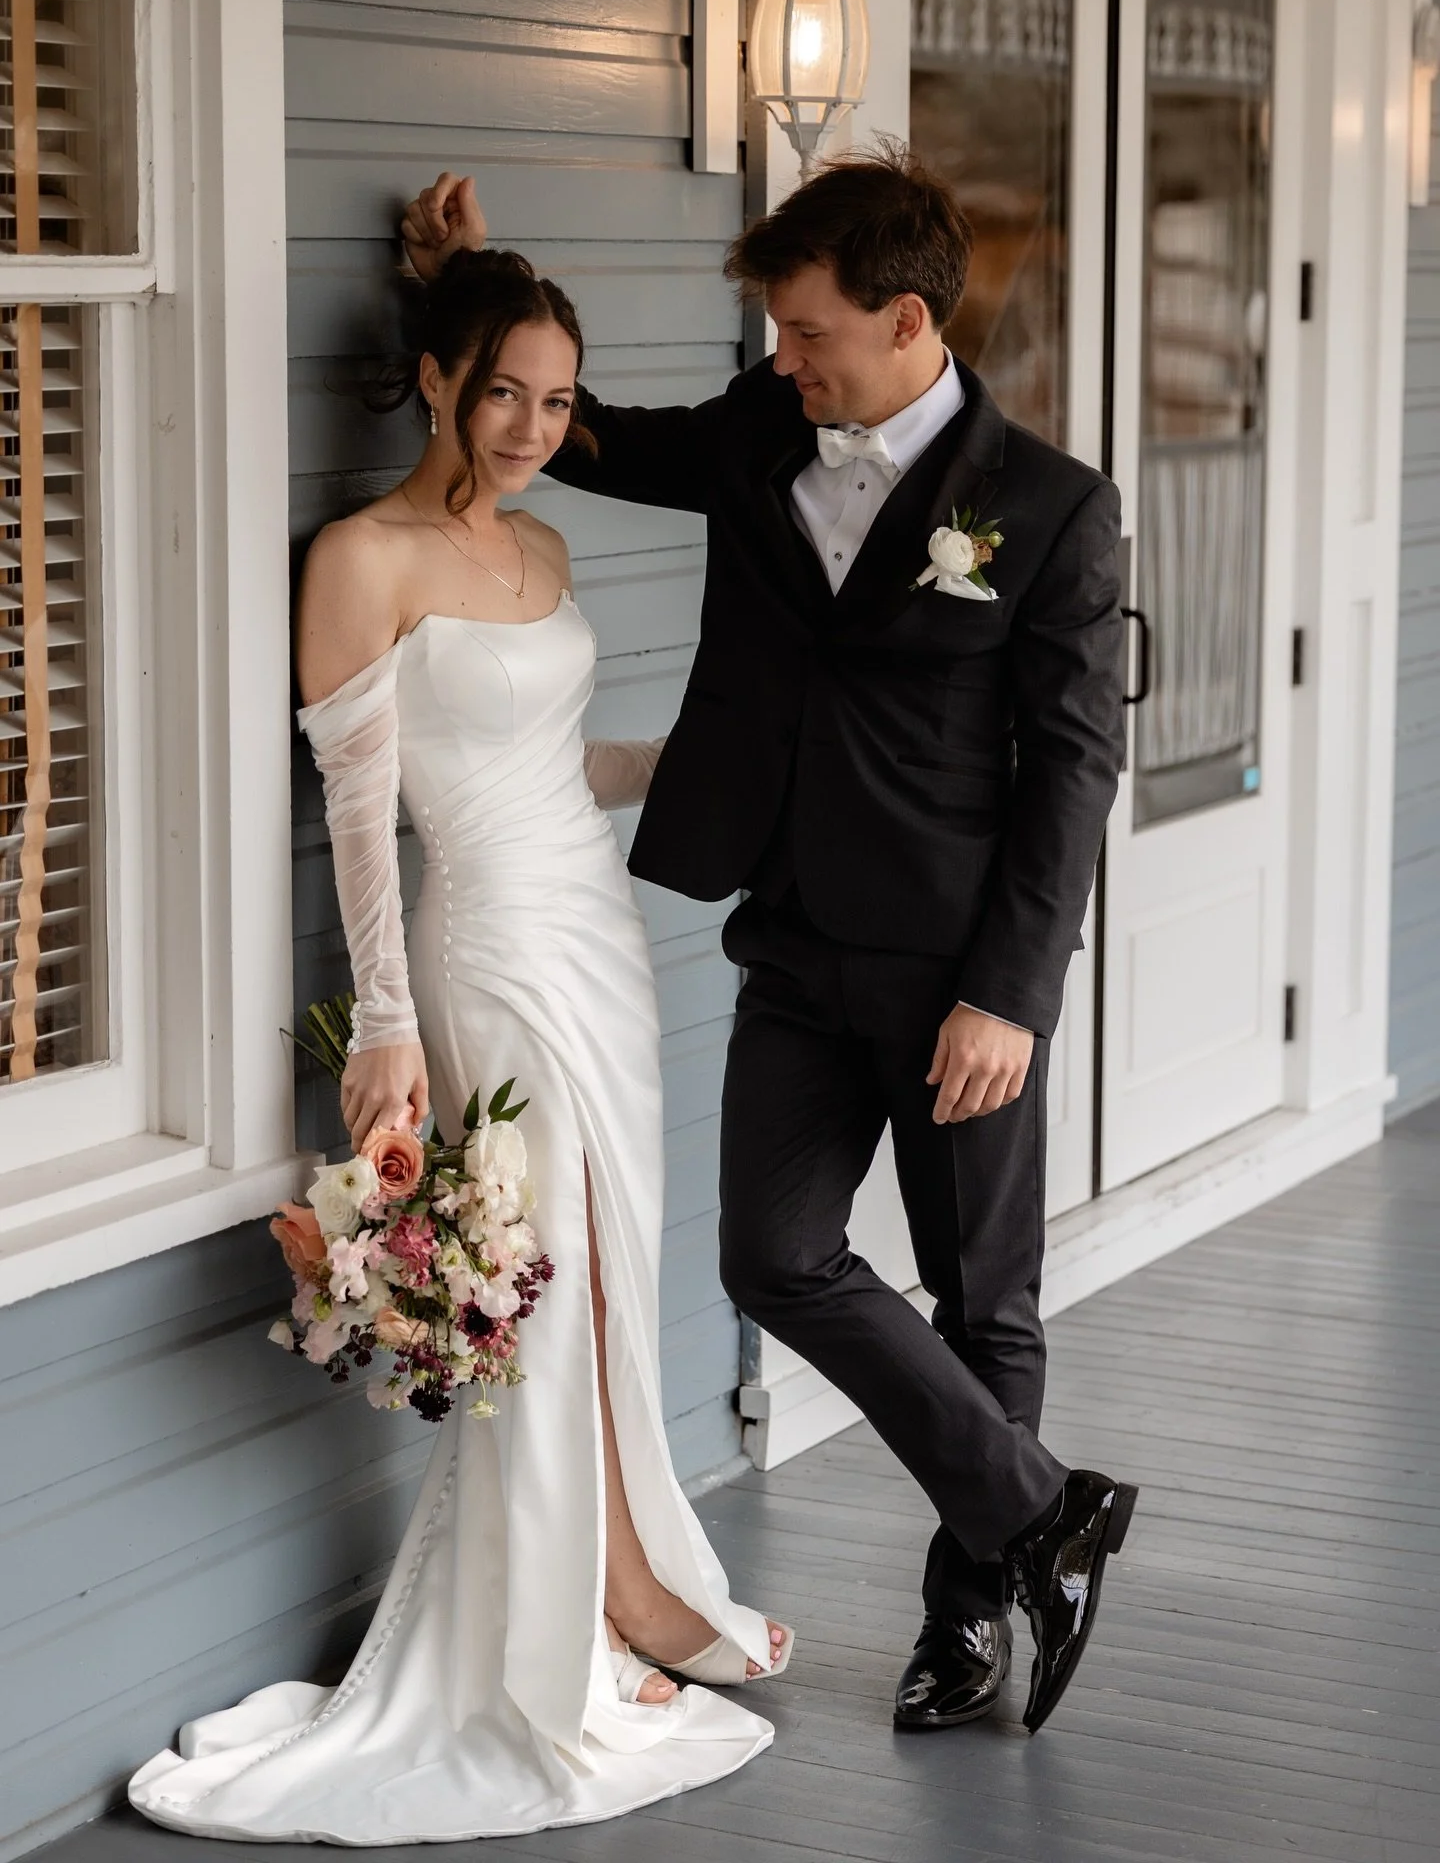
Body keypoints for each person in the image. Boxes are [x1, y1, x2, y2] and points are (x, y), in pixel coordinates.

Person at [399, 146, 1138, 1737]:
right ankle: (1044, 1516)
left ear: (909, 321)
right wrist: (463, 308)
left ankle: (969, 1628)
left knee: (980, 1300)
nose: (782, 361)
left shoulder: (1055, 511)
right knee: (772, 1256)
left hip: (961, 982)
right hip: (794, 946)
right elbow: (580, 433)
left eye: (808, 335)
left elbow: (1075, 776)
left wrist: (1009, 996)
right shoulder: (762, 431)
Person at [128, 249, 791, 1845]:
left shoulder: (546, 544)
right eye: (505, 391)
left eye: (559, 401)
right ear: (434, 376)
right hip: (483, 950)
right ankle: (574, 1629)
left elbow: (564, 767)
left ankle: (629, 1582)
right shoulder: (362, 559)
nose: (534, 427)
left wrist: (738, 764)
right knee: (546, 1281)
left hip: (598, 942)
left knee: (621, 1266)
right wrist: (388, 1023)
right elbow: (366, 818)